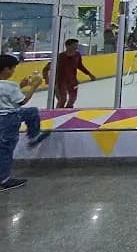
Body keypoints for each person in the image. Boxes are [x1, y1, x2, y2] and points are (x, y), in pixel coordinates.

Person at [0, 54, 51, 192]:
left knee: (31, 112)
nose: (13, 71)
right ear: (6, 69)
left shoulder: (11, 86)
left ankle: (34, 136)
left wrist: (20, 86)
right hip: (9, 118)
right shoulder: (10, 86)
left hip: (4, 116)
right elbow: (22, 101)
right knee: (5, 149)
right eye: (13, 69)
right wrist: (33, 86)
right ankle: (3, 180)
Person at [42, 38, 96, 109]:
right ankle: (57, 114)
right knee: (62, 100)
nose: (76, 47)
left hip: (73, 81)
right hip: (61, 82)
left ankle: (67, 112)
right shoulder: (60, 57)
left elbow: (80, 66)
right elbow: (46, 68)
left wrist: (89, 74)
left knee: (72, 99)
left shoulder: (77, 55)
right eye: (74, 45)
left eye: (76, 45)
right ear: (68, 46)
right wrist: (46, 78)